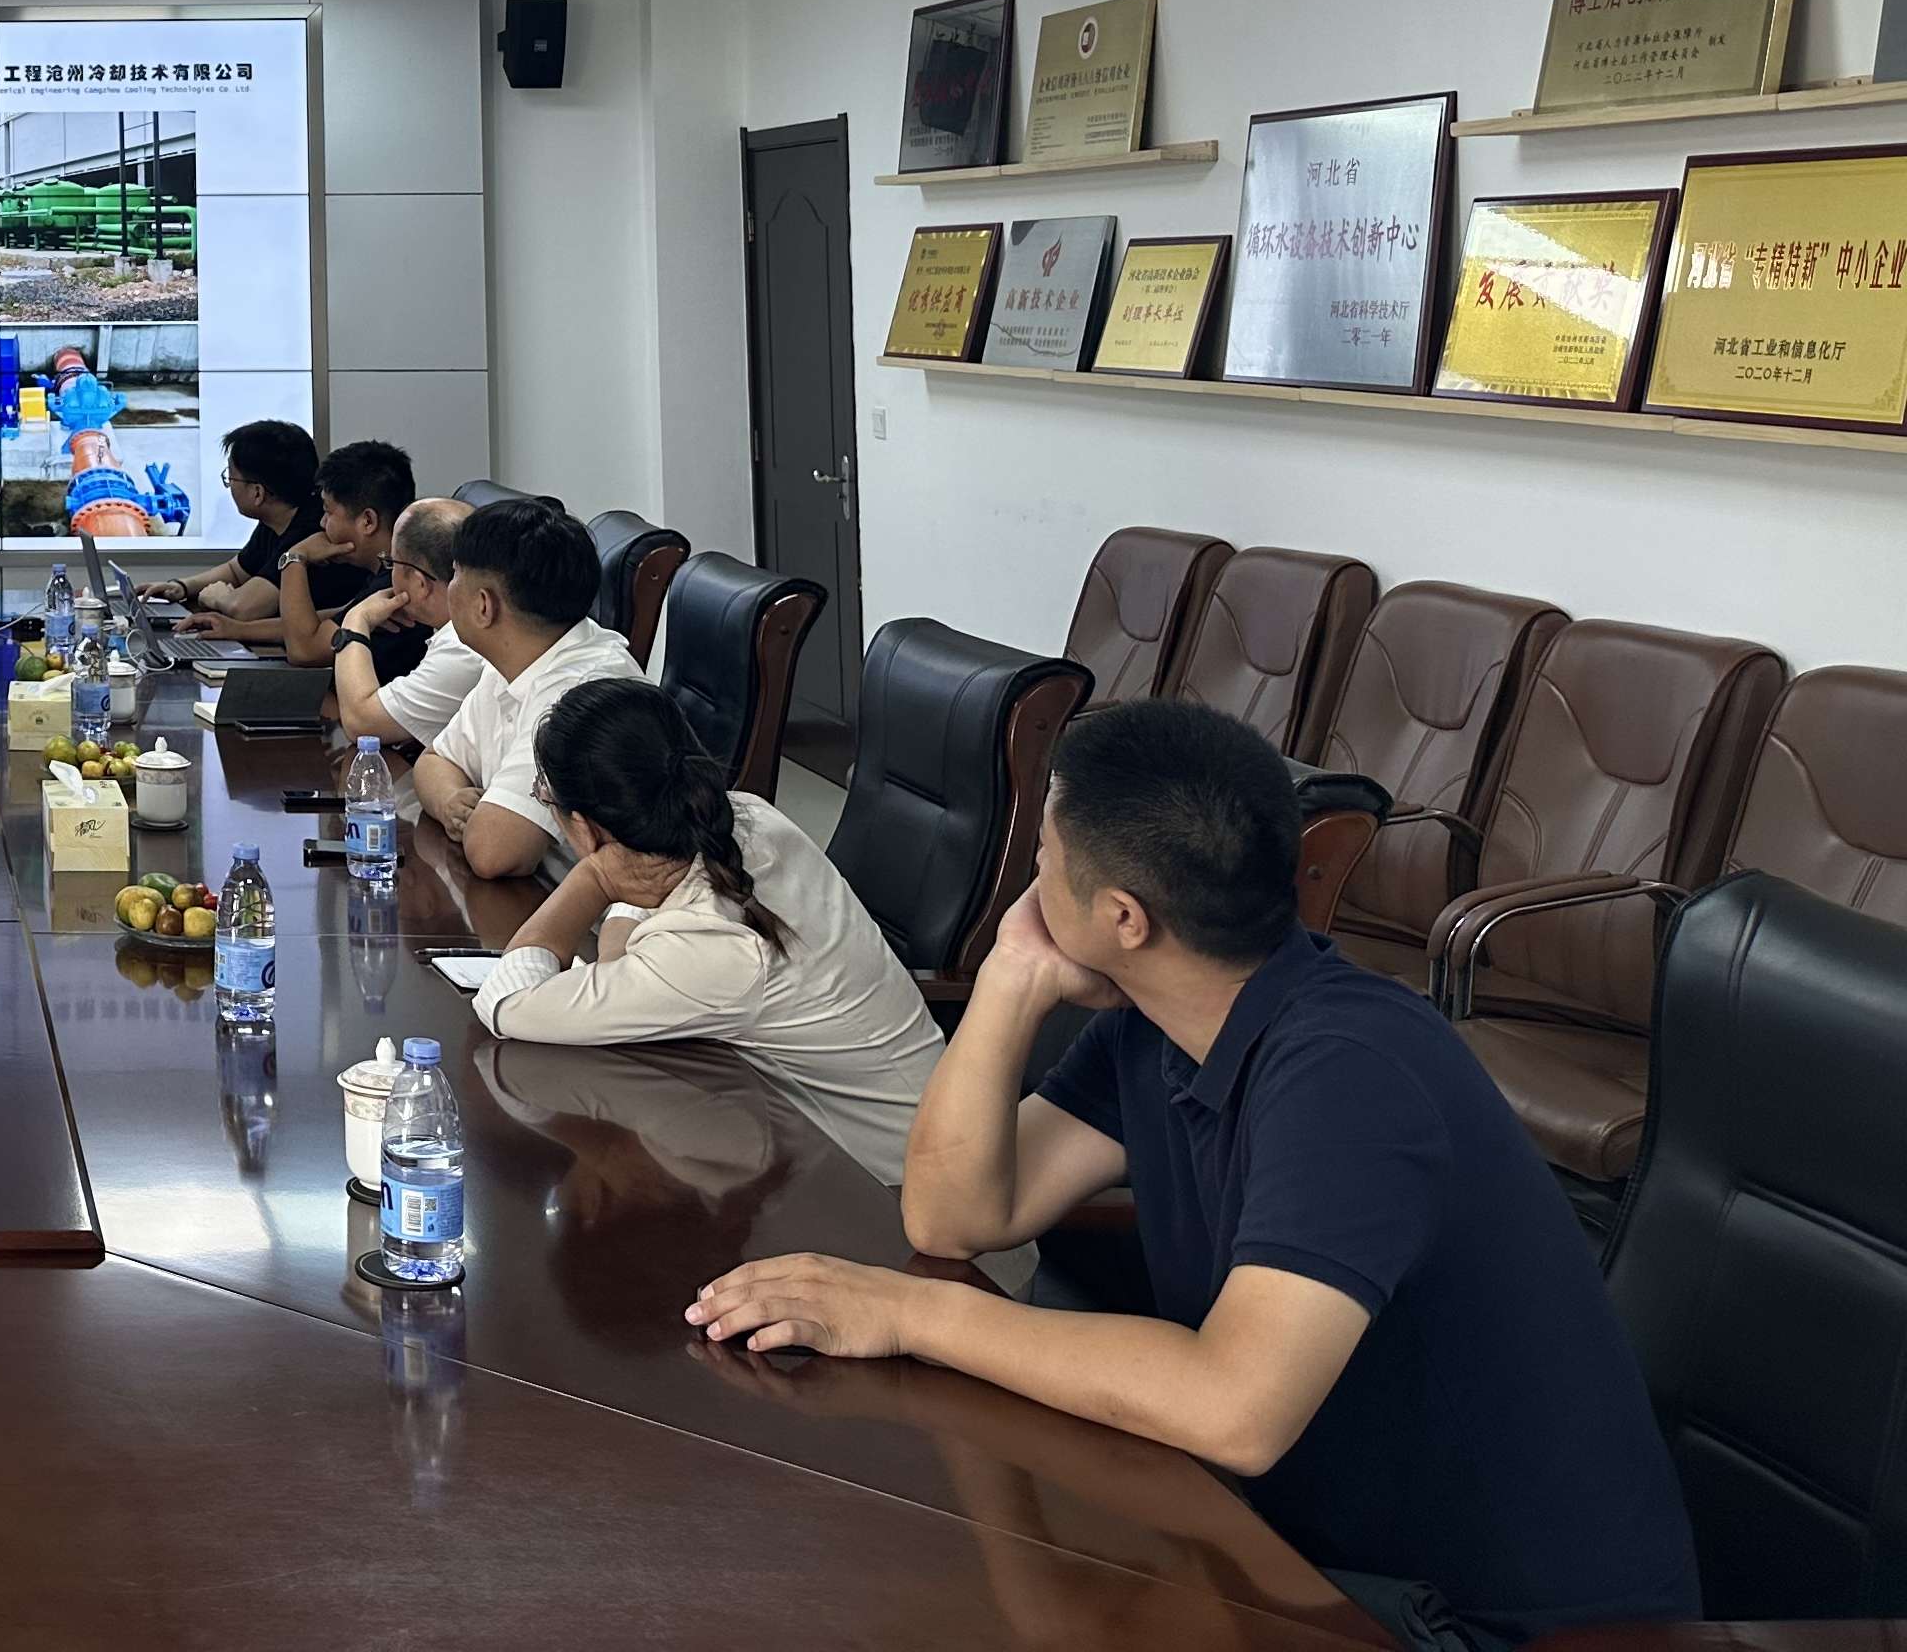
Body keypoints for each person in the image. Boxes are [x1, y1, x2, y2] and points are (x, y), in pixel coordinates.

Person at [684, 698, 1698, 1651]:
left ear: (1124, 918)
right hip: (1300, 1556)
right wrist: (1009, 981)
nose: (1031, 879)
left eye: (1044, 857)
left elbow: (1235, 1409)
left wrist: (913, 1314)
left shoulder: (1349, 1072)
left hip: (1495, 1624)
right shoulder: (1166, 1023)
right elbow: (954, 1216)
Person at [469, 677, 940, 1183]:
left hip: (888, 1183)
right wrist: (616, 939)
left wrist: (594, 879)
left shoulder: (710, 946)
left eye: (544, 798)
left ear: (583, 827)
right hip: (861, 1125)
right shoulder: (742, 818)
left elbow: (506, 1002)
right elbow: (632, 931)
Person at [412, 494, 637, 880]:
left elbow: (494, 852)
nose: (449, 588)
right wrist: (452, 802)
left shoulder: (579, 693)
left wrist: (479, 822)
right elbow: (434, 761)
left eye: (455, 573)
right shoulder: (517, 656)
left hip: (608, 915)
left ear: (484, 606)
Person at [332, 496, 474, 747]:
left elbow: (362, 724)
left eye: (391, 563)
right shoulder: (458, 626)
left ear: (420, 583)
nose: (389, 573)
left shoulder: (462, 647)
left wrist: (355, 621)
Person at [167, 419, 322, 637]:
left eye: (231, 478)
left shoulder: (311, 529)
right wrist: (182, 586)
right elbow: (237, 571)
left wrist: (218, 597)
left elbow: (244, 609)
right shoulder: (276, 520)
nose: (229, 485)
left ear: (257, 493)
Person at [272, 437, 407, 664]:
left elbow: (304, 649)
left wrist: (294, 559)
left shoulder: (395, 585)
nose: (322, 523)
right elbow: (332, 619)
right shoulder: (388, 570)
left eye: (328, 511)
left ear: (367, 521)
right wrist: (238, 629)